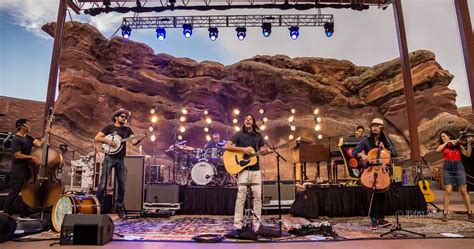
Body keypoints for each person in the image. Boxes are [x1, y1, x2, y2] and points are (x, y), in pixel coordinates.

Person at [94, 109, 145, 218]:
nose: (124, 118)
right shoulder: (109, 128)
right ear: (116, 117)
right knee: (103, 183)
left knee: (122, 184)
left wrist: (140, 138)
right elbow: (97, 137)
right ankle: (98, 206)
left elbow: (133, 142)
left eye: (126, 117)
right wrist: (108, 142)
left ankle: (120, 207)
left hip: (120, 159)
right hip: (109, 157)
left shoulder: (128, 130)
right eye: (122, 116)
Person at [224, 114, 271, 230]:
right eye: (246, 119)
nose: (248, 120)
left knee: (258, 196)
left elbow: (258, 151)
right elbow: (227, 146)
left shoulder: (258, 136)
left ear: (253, 122)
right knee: (241, 196)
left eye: (250, 119)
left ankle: (256, 224)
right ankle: (237, 224)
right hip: (243, 170)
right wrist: (243, 150)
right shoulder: (239, 135)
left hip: (255, 170)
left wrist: (263, 152)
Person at [352, 118, 398, 230]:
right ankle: (373, 219)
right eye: (374, 126)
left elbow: (395, 153)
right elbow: (354, 152)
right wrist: (362, 155)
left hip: (382, 171)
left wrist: (387, 148)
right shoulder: (366, 140)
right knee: (372, 196)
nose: (375, 128)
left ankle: (381, 219)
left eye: (378, 126)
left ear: (382, 129)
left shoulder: (386, 141)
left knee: (383, 197)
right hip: (371, 171)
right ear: (371, 128)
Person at [3, 119, 47, 220]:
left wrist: (47, 134)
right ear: (22, 126)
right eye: (28, 124)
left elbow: (39, 144)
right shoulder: (16, 139)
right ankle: (6, 214)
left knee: (27, 191)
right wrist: (32, 157)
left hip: (27, 168)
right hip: (17, 169)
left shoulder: (29, 138)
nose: (30, 126)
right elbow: (17, 155)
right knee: (15, 191)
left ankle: (24, 214)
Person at [436, 130, 472, 220]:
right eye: (442, 137)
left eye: (444, 136)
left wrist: (469, 143)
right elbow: (438, 150)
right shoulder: (443, 146)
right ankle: (445, 213)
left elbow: (468, 154)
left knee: (464, 191)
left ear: (449, 136)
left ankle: (470, 213)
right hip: (447, 169)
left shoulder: (458, 145)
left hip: (459, 168)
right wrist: (447, 142)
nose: (442, 138)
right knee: (448, 191)